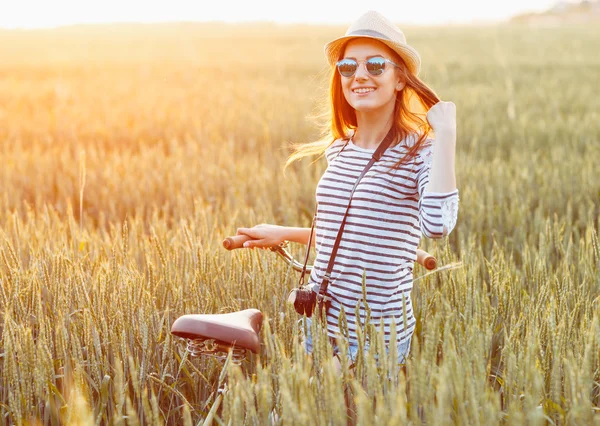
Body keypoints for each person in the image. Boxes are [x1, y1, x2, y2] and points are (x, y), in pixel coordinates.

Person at [236, 10, 459, 372]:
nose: (359, 76)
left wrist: (446, 135)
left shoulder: (422, 151)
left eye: (375, 65)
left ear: (400, 78)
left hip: (375, 331)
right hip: (321, 319)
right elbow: (350, 231)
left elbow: (437, 225)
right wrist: (282, 234)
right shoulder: (340, 149)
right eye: (347, 67)